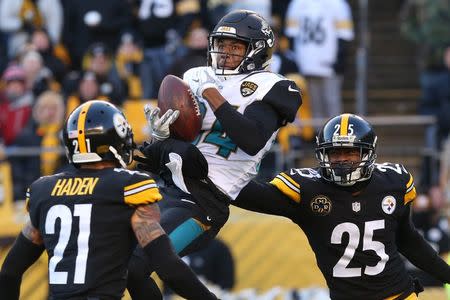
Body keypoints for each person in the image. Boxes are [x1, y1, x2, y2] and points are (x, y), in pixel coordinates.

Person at [128, 9, 302, 299]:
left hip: (203, 201)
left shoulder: (273, 86)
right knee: (127, 267)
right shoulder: (199, 75)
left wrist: (210, 92)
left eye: (235, 47)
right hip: (168, 187)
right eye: (221, 45)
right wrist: (161, 137)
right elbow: (186, 140)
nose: (225, 53)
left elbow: (251, 139)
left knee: (145, 263)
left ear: (257, 50)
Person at [0, 100, 218, 300]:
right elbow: (168, 266)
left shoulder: (44, 191)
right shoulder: (128, 187)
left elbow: (10, 272)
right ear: (115, 140)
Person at [231, 113, 450, 299]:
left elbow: (407, 240)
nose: (342, 160)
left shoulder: (393, 183)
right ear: (322, 155)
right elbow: (249, 195)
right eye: (335, 153)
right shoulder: (308, 190)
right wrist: (211, 173)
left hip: (399, 295)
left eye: (350, 152)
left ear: (368, 154)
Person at [285, 0, 354, 120]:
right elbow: (291, 35)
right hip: (306, 63)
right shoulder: (297, 4)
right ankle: (319, 136)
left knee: (331, 102)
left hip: (327, 64)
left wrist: (339, 59)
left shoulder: (337, 4)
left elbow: (344, 36)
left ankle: (333, 135)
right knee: (314, 104)